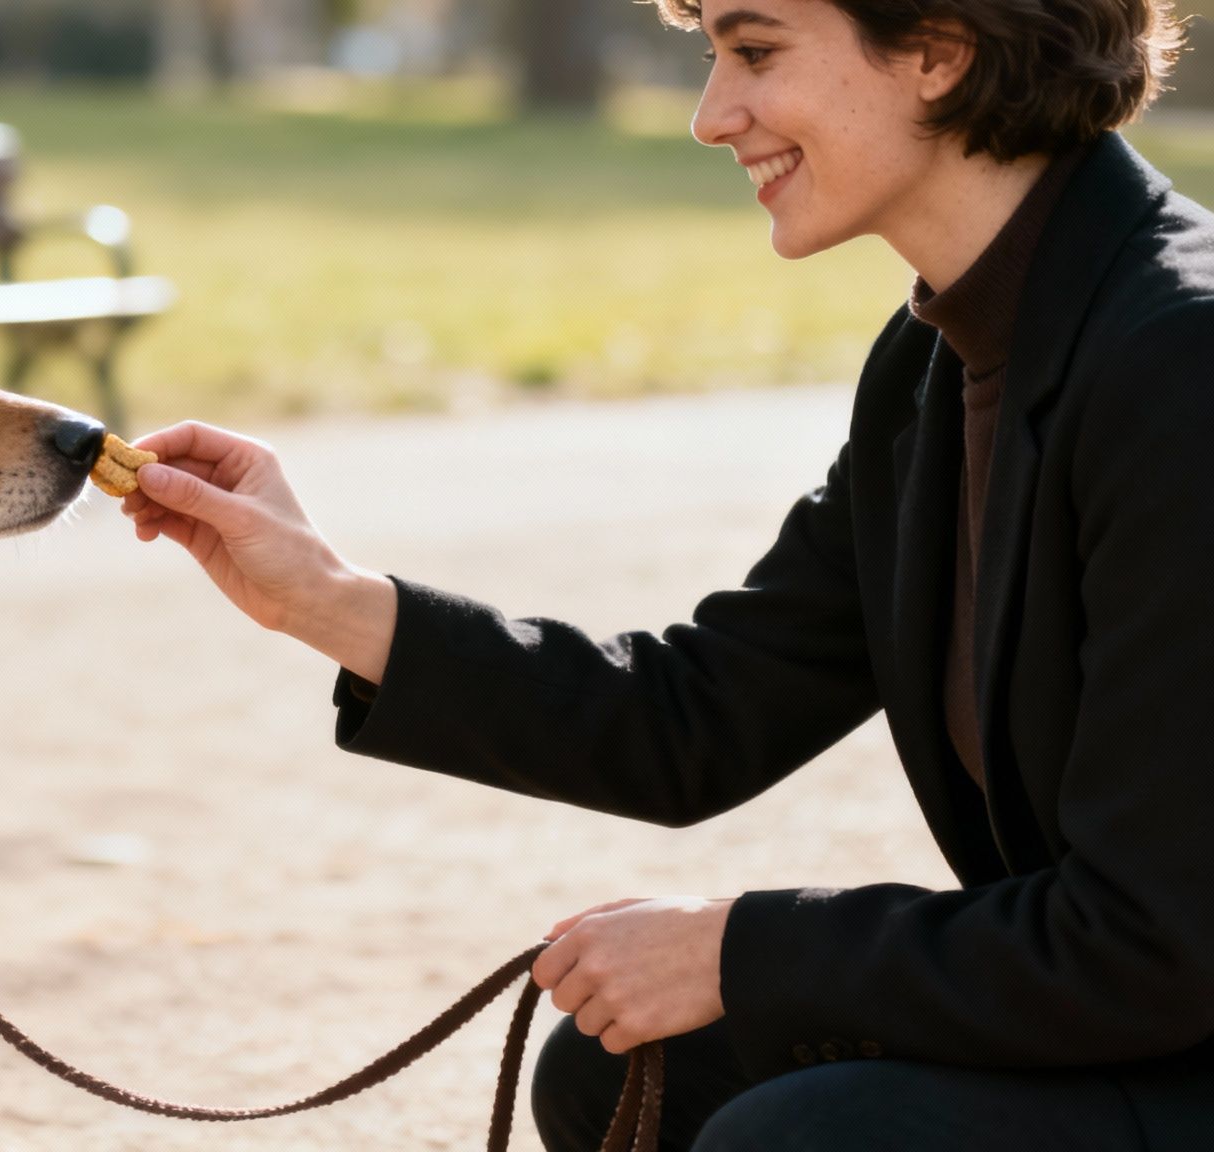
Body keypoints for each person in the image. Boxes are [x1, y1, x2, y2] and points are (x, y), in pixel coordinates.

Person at [117, 0, 1212, 1148]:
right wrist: (326, 600)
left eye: (753, 52)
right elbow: (695, 715)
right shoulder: (935, 360)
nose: (708, 115)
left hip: (1168, 1014)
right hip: (1138, 1012)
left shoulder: (1177, 366)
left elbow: (1154, 945)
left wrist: (739, 948)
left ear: (938, 51)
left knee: (794, 1139)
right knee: (613, 1077)